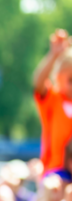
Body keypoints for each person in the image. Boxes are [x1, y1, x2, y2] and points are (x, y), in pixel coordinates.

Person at [33, 28, 72, 173]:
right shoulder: (54, 99)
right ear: (59, 78)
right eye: (71, 80)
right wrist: (54, 55)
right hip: (54, 170)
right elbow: (38, 83)